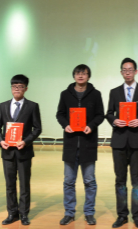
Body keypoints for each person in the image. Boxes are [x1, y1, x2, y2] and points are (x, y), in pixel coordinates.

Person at [105, 58, 138, 228]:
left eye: (130, 69)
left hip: (137, 141)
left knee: (137, 180)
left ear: (136, 72)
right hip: (119, 141)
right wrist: (114, 120)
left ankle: (137, 216)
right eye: (124, 70)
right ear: (121, 72)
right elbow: (108, 113)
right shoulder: (114, 92)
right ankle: (122, 215)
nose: (127, 72)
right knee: (120, 180)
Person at [56, 65, 105, 226]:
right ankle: (69, 213)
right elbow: (60, 114)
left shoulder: (96, 94)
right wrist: (65, 125)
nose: (81, 75)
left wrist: (91, 125)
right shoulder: (65, 94)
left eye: (84, 73)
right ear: (74, 76)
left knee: (89, 181)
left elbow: (100, 115)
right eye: (78, 73)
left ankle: (89, 212)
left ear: (88, 76)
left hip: (88, 143)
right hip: (70, 144)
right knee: (69, 181)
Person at [0, 75, 42, 226]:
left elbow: (37, 128)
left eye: (20, 86)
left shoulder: (32, 106)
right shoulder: (3, 106)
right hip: (7, 152)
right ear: (11, 88)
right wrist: (1, 140)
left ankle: (24, 214)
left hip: (24, 152)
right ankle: (12, 213)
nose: (17, 89)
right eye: (14, 86)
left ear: (26, 89)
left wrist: (26, 141)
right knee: (9, 185)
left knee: (24, 184)